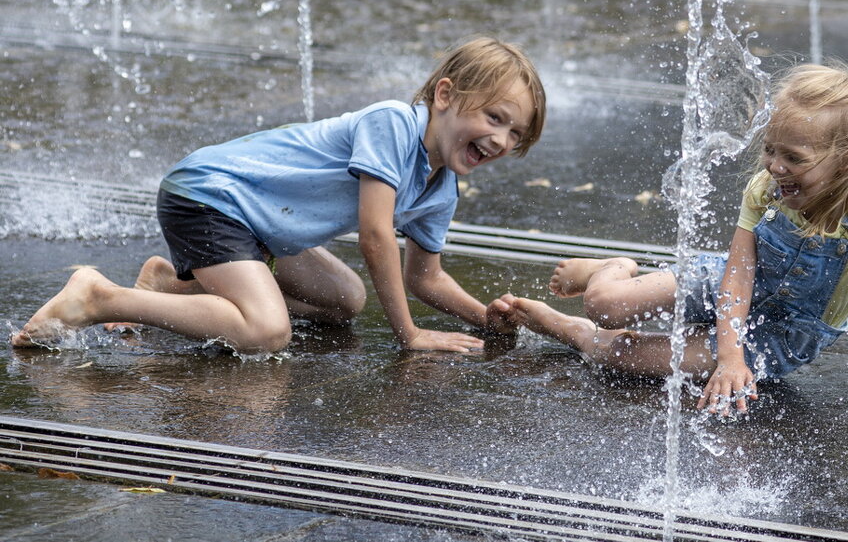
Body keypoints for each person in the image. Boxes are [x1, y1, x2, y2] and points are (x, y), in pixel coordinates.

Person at [499, 62, 848, 416]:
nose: (774, 167)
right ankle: (613, 266)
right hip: (725, 278)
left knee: (623, 356)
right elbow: (737, 276)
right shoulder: (765, 188)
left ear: (845, 162)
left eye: (794, 159)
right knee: (606, 303)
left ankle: (564, 329)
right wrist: (729, 354)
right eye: (770, 149)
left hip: (781, 334)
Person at [12, 37, 546, 355]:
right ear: (446, 95)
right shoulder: (392, 125)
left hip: (259, 226)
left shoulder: (440, 185)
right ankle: (101, 298)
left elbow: (424, 275)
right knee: (267, 332)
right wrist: (408, 333)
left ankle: (171, 287)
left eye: (515, 134)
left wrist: (484, 318)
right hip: (210, 196)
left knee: (346, 301)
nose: (500, 140)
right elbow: (376, 236)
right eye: (494, 117)